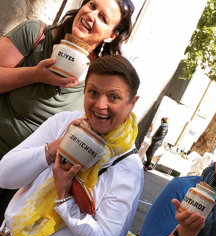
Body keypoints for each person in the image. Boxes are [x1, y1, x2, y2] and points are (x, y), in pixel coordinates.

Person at [0, 54, 143, 236]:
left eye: (113, 97)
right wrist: (54, 148)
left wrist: (65, 197)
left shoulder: (127, 168)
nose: (100, 105)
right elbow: (4, 175)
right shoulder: (65, 123)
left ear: (132, 103)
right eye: (93, 92)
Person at [0, 0, 135, 222]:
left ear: (111, 35)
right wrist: (35, 74)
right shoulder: (37, 34)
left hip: (31, 180)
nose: (91, 15)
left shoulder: (98, 80)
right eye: (92, 5)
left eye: (103, 18)